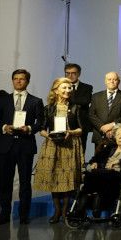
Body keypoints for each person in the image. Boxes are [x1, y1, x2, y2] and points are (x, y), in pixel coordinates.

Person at [0, 69, 44, 225]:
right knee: (5, 182)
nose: (18, 81)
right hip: (6, 145)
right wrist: (5, 127)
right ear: (12, 80)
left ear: (27, 81)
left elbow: (40, 122)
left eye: (22, 79)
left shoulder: (36, 101)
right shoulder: (3, 100)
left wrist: (30, 129)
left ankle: (24, 215)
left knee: (25, 182)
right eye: (16, 78)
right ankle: (4, 214)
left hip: (25, 145)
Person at [33, 77, 84, 223]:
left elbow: (81, 129)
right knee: (53, 177)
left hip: (70, 145)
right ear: (56, 90)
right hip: (52, 145)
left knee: (68, 179)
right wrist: (48, 135)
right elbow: (41, 129)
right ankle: (57, 210)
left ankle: (65, 211)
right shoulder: (48, 108)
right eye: (64, 88)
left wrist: (71, 132)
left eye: (69, 88)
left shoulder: (75, 107)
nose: (68, 90)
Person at [72, 124, 121, 217]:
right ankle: (81, 208)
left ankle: (96, 206)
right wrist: (94, 163)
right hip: (104, 172)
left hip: (120, 174)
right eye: (117, 134)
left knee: (104, 175)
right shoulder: (111, 147)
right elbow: (96, 158)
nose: (119, 137)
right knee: (90, 174)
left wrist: (120, 164)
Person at [88, 72, 121, 149]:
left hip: (118, 135)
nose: (112, 81)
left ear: (118, 81)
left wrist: (113, 125)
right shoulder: (96, 96)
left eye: (115, 79)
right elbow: (91, 114)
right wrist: (102, 127)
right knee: (99, 160)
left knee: (117, 160)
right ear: (105, 81)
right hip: (99, 135)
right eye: (109, 79)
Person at [64, 63, 93, 150]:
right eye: (68, 73)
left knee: (80, 150)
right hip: (64, 123)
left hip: (81, 125)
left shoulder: (87, 87)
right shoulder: (60, 87)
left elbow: (85, 101)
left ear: (79, 74)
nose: (70, 75)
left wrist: (66, 99)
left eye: (73, 73)